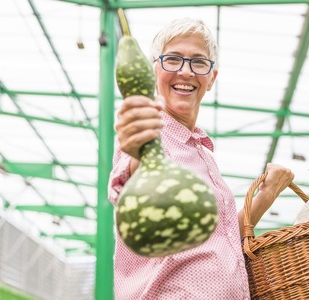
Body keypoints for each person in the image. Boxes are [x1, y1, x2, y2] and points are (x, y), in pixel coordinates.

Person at [108, 17, 295, 300]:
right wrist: (137, 148)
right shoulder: (150, 137)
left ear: (211, 78)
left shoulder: (201, 151)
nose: (185, 72)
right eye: (173, 59)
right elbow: (128, 183)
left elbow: (224, 238)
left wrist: (265, 197)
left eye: (198, 62)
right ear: (154, 70)